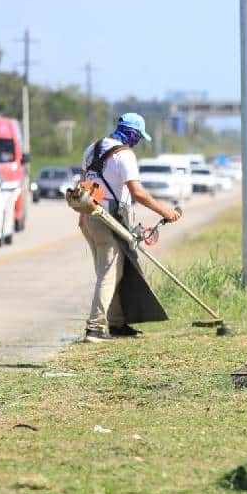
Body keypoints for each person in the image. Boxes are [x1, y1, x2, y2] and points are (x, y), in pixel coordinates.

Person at [80, 113, 180, 343]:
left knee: (109, 271)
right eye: (138, 137)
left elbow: (85, 184)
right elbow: (138, 193)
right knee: (110, 272)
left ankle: (116, 322)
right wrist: (165, 211)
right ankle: (95, 327)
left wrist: (83, 219)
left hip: (90, 216)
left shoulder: (92, 148)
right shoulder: (124, 155)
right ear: (132, 133)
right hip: (109, 219)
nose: (138, 141)